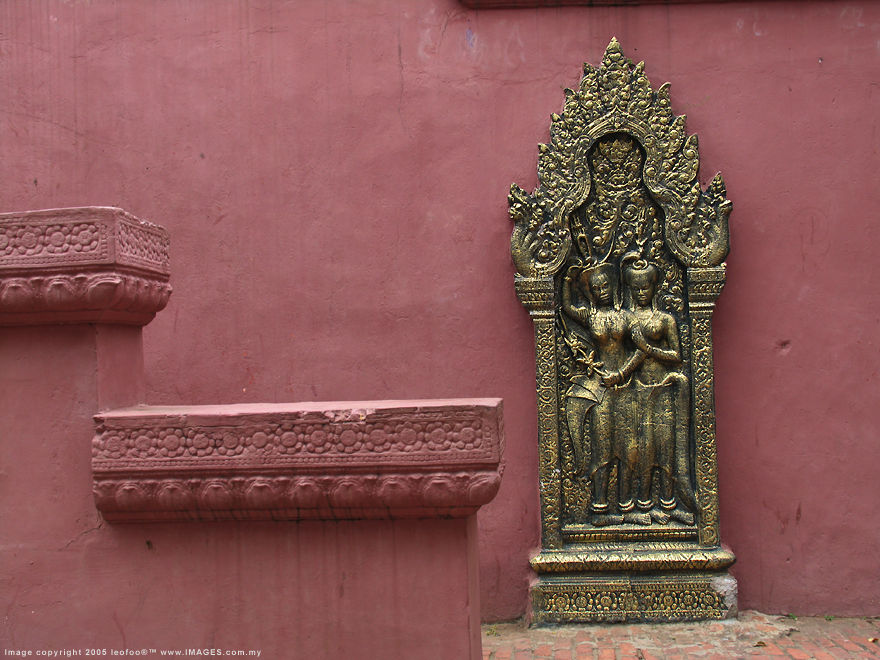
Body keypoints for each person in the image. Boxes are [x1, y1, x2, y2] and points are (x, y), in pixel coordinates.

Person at [562, 262, 648, 526]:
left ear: (614, 286)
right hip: (600, 390)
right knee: (602, 448)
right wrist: (567, 279)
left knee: (629, 448)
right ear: (591, 292)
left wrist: (621, 374)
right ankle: (599, 506)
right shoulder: (591, 316)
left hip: (625, 387)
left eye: (605, 286)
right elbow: (567, 308)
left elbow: (641, 350)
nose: (602, 291)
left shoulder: (628, 317)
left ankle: (626, 504)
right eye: (596, 288)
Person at [623, 259, 696, 525]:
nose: (641, 293)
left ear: (654, 287)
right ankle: (642, 504)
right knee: (642, 449)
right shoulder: (627, 318)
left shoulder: (665, 319)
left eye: (646, 287)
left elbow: (676, 355)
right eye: (636, 288)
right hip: (637, 390)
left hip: (664, 388)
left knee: (666, 447)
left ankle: (668, 502)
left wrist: (647, 348)